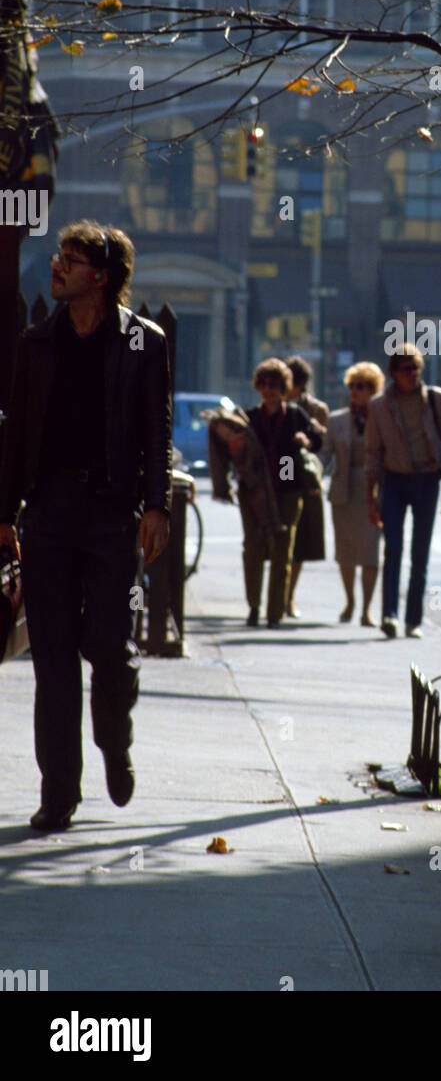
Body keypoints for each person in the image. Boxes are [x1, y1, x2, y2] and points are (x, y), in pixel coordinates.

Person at [0, 220, 172, 834]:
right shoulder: (36, 344)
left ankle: (114, 739)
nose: (57, 267)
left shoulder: (143, 344)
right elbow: (16, 433)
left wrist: (157, 506)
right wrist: (3, 515)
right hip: (47, 514)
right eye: (58, 257)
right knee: (52, 660)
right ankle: (59, 794)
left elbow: (158, 430)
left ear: (99, 277)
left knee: (108, 647)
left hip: (109, 515)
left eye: (70, 260)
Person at [365, 343, 441, 639]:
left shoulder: (437, 400)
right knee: (392, 549)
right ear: (394, 373)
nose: (413, 374)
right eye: (407, 369)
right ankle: (389, 615)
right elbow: (373, 452)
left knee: (421, 554)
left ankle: (413, 620)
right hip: (394, 480)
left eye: (416, 368)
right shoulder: (379, 406)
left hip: (428, 480)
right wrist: (371, 495)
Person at [239, 358, 323, 628]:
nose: (268, 389)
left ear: (284, 387)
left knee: (282, 552)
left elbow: (318, 439)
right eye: (263, 384)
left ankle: (274, 613)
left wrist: (305, 441)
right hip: (254, 492)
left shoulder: (296, 415)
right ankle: (253, 607)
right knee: (252, 548)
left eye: (274, 384)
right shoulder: (249, 417)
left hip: (287, 490)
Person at [321, 361, 385, 627]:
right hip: (343, 492)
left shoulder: (382, 419)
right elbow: (323, 455)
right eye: (352, 386)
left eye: (362, 387)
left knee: (370, 553)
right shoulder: (336, 420)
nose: (356, 391)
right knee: (345, 552)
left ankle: (367, 609)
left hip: (373, 493)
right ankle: (349, 601)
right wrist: (306, 472)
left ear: (374, 389)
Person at [283, 356, 328, 619]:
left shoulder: (315, 410)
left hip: (306, 483)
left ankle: (289, 597)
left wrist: (315, 475)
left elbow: (324, 451)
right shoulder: (275, 405)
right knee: (279, 540)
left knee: (299, 543)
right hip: (282, 477)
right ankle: (279, 596)